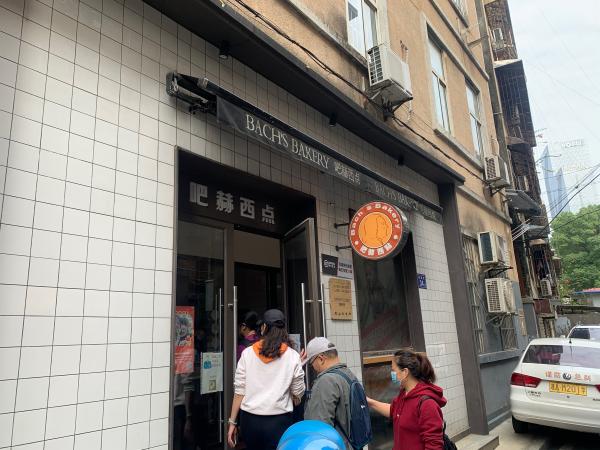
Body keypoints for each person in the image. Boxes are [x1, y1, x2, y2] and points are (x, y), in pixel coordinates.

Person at [228, 309, 305, 450]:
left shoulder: (247, 353)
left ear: (263, 327)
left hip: (250, 421)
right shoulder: (293, 356)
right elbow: (297, 394)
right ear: (283, 330)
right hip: (279, 421)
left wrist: (232, 422)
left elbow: (239, 391)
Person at [367, 348, 446, 450]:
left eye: (393, 370)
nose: (392, 374)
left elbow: (434, 445)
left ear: (405, 372)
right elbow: (393, 410)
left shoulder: (427, 404)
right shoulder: (404, 394)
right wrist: (369, 402)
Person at [303, 337, 357, 449]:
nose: (313, 368)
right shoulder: (348, 375)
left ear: (321, 359)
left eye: (312, 363)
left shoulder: (325, 381)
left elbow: (318, 429)